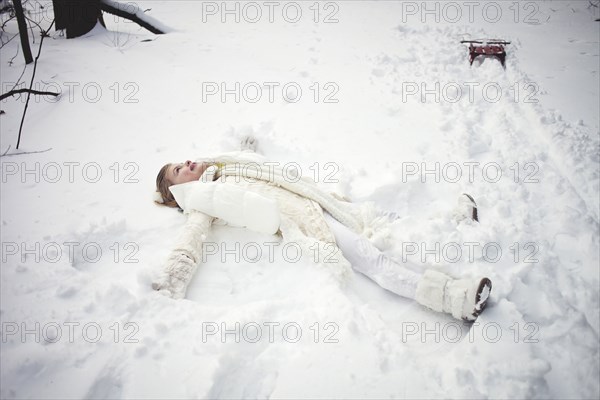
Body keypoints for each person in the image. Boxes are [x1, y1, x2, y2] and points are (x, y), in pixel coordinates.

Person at [152, 137, 492, 321]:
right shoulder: (202, 201)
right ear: (177, 192)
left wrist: (249, 148)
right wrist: (171, 280)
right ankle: (454, 299)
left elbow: (255, 165)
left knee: (388, 224)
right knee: (371, 260)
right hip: (311, 226)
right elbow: (189, 241)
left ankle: (453, 223)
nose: (186, 164)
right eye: (178, 171)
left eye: (181, 161)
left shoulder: (223, 166)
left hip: (321, 202)